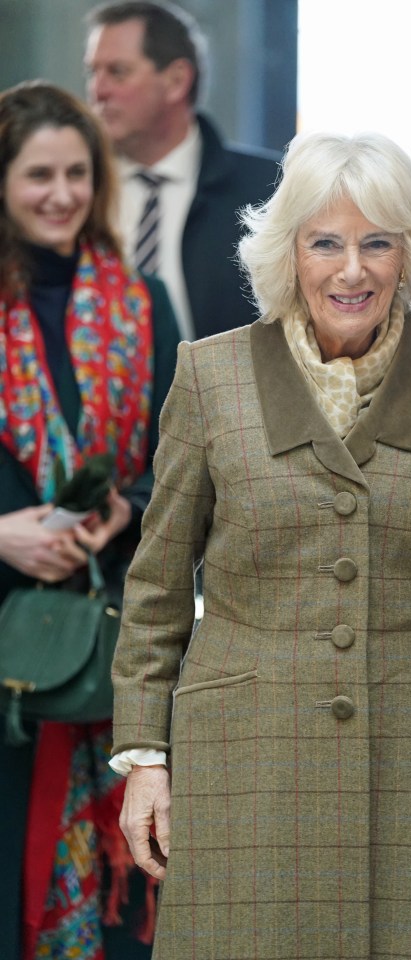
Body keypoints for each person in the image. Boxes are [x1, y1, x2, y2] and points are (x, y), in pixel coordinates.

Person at [108, 130, 411, 960]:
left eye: (378, 243)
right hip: (245, 768)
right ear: (288, 250)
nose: (352, 270)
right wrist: (146, 760)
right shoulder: (210, 375)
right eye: (325, 243)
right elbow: (154, 589)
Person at [0, 80, 181, 960]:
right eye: (39, 174)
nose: (63, 193)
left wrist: (123, 511)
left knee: (123, 916)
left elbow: (182, 473)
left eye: (78, 172)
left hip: (116, 647)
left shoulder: (143, 305)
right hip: (6, 651)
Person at [84, 0, 281, 340]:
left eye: (117, 72)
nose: (97, 90)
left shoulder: (268, 190)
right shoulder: (75, 192)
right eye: (93, 72)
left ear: (176, 80)